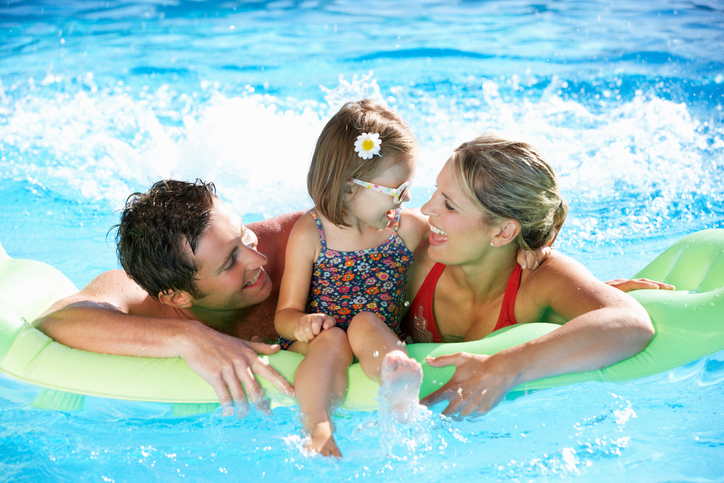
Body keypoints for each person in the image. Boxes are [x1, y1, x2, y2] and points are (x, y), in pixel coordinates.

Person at [400, 132, 659, 417]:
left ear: (502, 232)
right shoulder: (410, 243)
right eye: (436, 191)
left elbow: (633, 324)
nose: (426, 208)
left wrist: (505, 368)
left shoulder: (538, 277)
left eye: (449, 205)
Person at [34, 179, 298, 411]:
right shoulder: (139, 298)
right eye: (230, 261)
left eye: (244, 235)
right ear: (177, 298)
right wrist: (189, 337)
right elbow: (57, 320)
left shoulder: (300, 243)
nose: (258, 258)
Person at [273, 100, 430, 457]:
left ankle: (399, 390)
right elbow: (284, 315)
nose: (406, 199)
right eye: (397, 191)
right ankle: (318, 426)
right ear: (348, 189)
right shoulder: (311, 234)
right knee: (333, 340)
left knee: (365, 322)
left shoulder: (406, 228)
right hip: (319, 342)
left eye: (408, 187)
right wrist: (302, 325)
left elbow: (459, 248)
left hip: (375, 335)